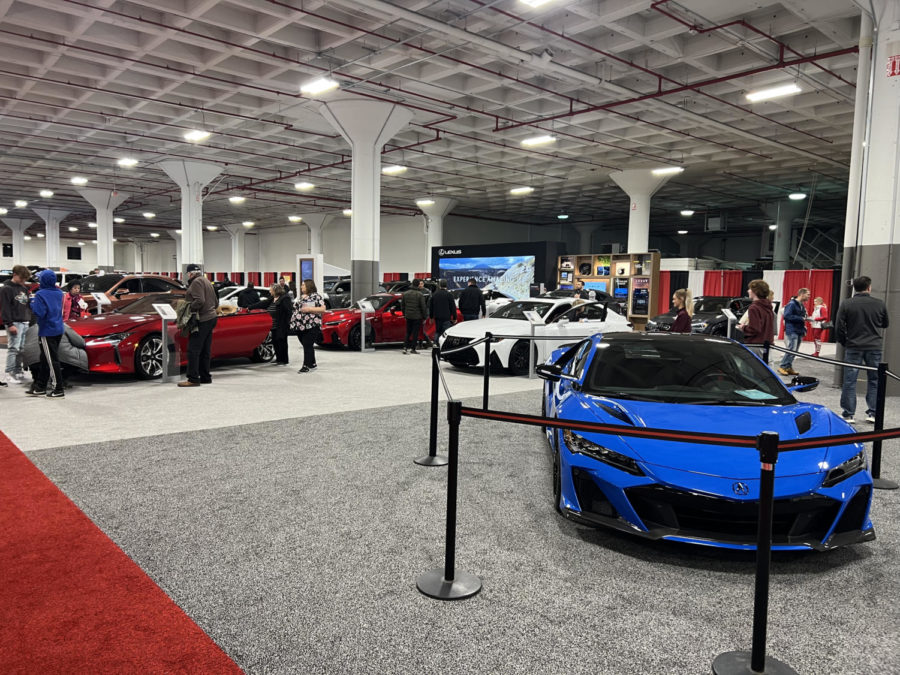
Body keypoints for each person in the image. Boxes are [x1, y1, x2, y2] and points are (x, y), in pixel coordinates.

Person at [835, 276, 890, 424]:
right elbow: (885, 324)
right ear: (869, 287)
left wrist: (844, 341)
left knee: (849, 381)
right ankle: (873, 413)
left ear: (854, 288)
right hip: (874, 347)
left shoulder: (847, 304)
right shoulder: (880, 304)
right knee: (874, 380)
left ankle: (848, 414)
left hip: (853, 346)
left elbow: (839, 327)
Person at [27, 269, 65, 398]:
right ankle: (40, 387)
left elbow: (40, 313)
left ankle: (58, 388)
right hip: (58, 328)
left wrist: (31, 303)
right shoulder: (59, 293)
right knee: (45, 358)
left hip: (47, 331)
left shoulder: (40, 294)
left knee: (51, 360)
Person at [179, 264, 218, 387]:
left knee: (193, 350)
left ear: (190, 273)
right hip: (212, 317)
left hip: (202, 319)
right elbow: (216, 302)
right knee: (205, 350)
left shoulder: (196, 282)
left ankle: (193, 378)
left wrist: (187, 308)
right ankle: (205, 376)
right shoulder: (206, 281)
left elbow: (200, 301)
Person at [1, 264, 31, 385]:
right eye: (21, 278)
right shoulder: (6, 289)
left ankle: (18, 371)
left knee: (22, 349)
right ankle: (8, 373)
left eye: (25, 279)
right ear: (15, 274)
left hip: (25, 322)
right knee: (13, 348)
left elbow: (27, 306)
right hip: (14, 322)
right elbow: (5, 308)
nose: (23, 281)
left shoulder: (23, 289)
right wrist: (9, 324)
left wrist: (29, 320)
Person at [291, 279, 325, 373]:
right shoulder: (300, 297)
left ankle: (306, 366)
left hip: (311, 325)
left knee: (307, 344)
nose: (301, 287)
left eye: (303, 285)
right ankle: (312, 364)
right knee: (307, 345)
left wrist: (309, 309)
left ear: (309, 286)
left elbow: (323, 309)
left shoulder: (316, 296)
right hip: (299, 325)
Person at [778, 287, 810, 376]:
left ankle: (788, 366)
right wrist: (801, 318)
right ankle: (782, 366)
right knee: (791, 349)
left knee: (795, 350)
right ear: (802, 294)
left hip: (799, 330)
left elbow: (802, 317)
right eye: (808, 294)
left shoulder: (801, 305)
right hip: (792, 330)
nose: (809, 296)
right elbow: (787, 316)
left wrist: (805, 323)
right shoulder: (791, 304)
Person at [741, 279, 775, 360]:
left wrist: (743, 327)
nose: (748, 291)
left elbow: (754, 329)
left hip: (755, 345)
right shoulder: (768, 306)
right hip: (766, 344)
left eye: (750, 289)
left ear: (755, 292)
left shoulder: (754, 308)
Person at [268, 284, 293, 366]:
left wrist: (287, 323)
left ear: (275, 290)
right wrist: (250, 307)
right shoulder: (272, 298)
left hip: (281, 324)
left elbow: (288, 311)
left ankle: (284, 360)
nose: (269, 291)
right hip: (274, 325)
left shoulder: (285, 298)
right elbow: (263, 303)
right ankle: (278, 358)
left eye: (271, 289)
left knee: (282, 341)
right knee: (275, 341)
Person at [401, 279, 427, 354]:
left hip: (408, 316)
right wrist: (424, 317)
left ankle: (405, 347)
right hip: (417, 317)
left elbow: (402, 306)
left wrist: (404, 314)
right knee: (415, 333)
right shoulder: (419, 294)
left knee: (408, 332)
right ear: (418, 285)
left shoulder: (405, 294)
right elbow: (423, 307)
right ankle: (413, 349)